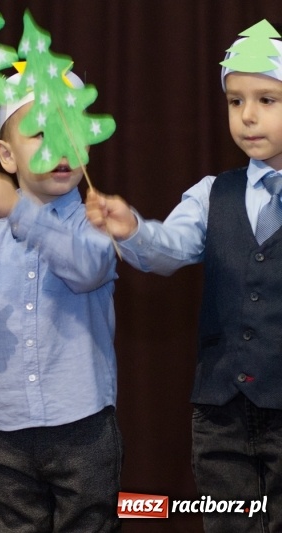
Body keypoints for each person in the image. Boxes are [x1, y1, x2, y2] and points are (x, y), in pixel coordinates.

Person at [86, 19, 282, 533]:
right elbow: (167, 250)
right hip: (222, 411)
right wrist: (132, 230)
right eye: (236, 101)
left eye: (267, 100)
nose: (248, 116)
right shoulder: (212, 192)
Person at [0, 65, 123, 532]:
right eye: (40, 133)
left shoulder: (98, 223)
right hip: (3, 431)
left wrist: (18, 211)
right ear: (6, 155)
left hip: (83, 426)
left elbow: (86, 268)